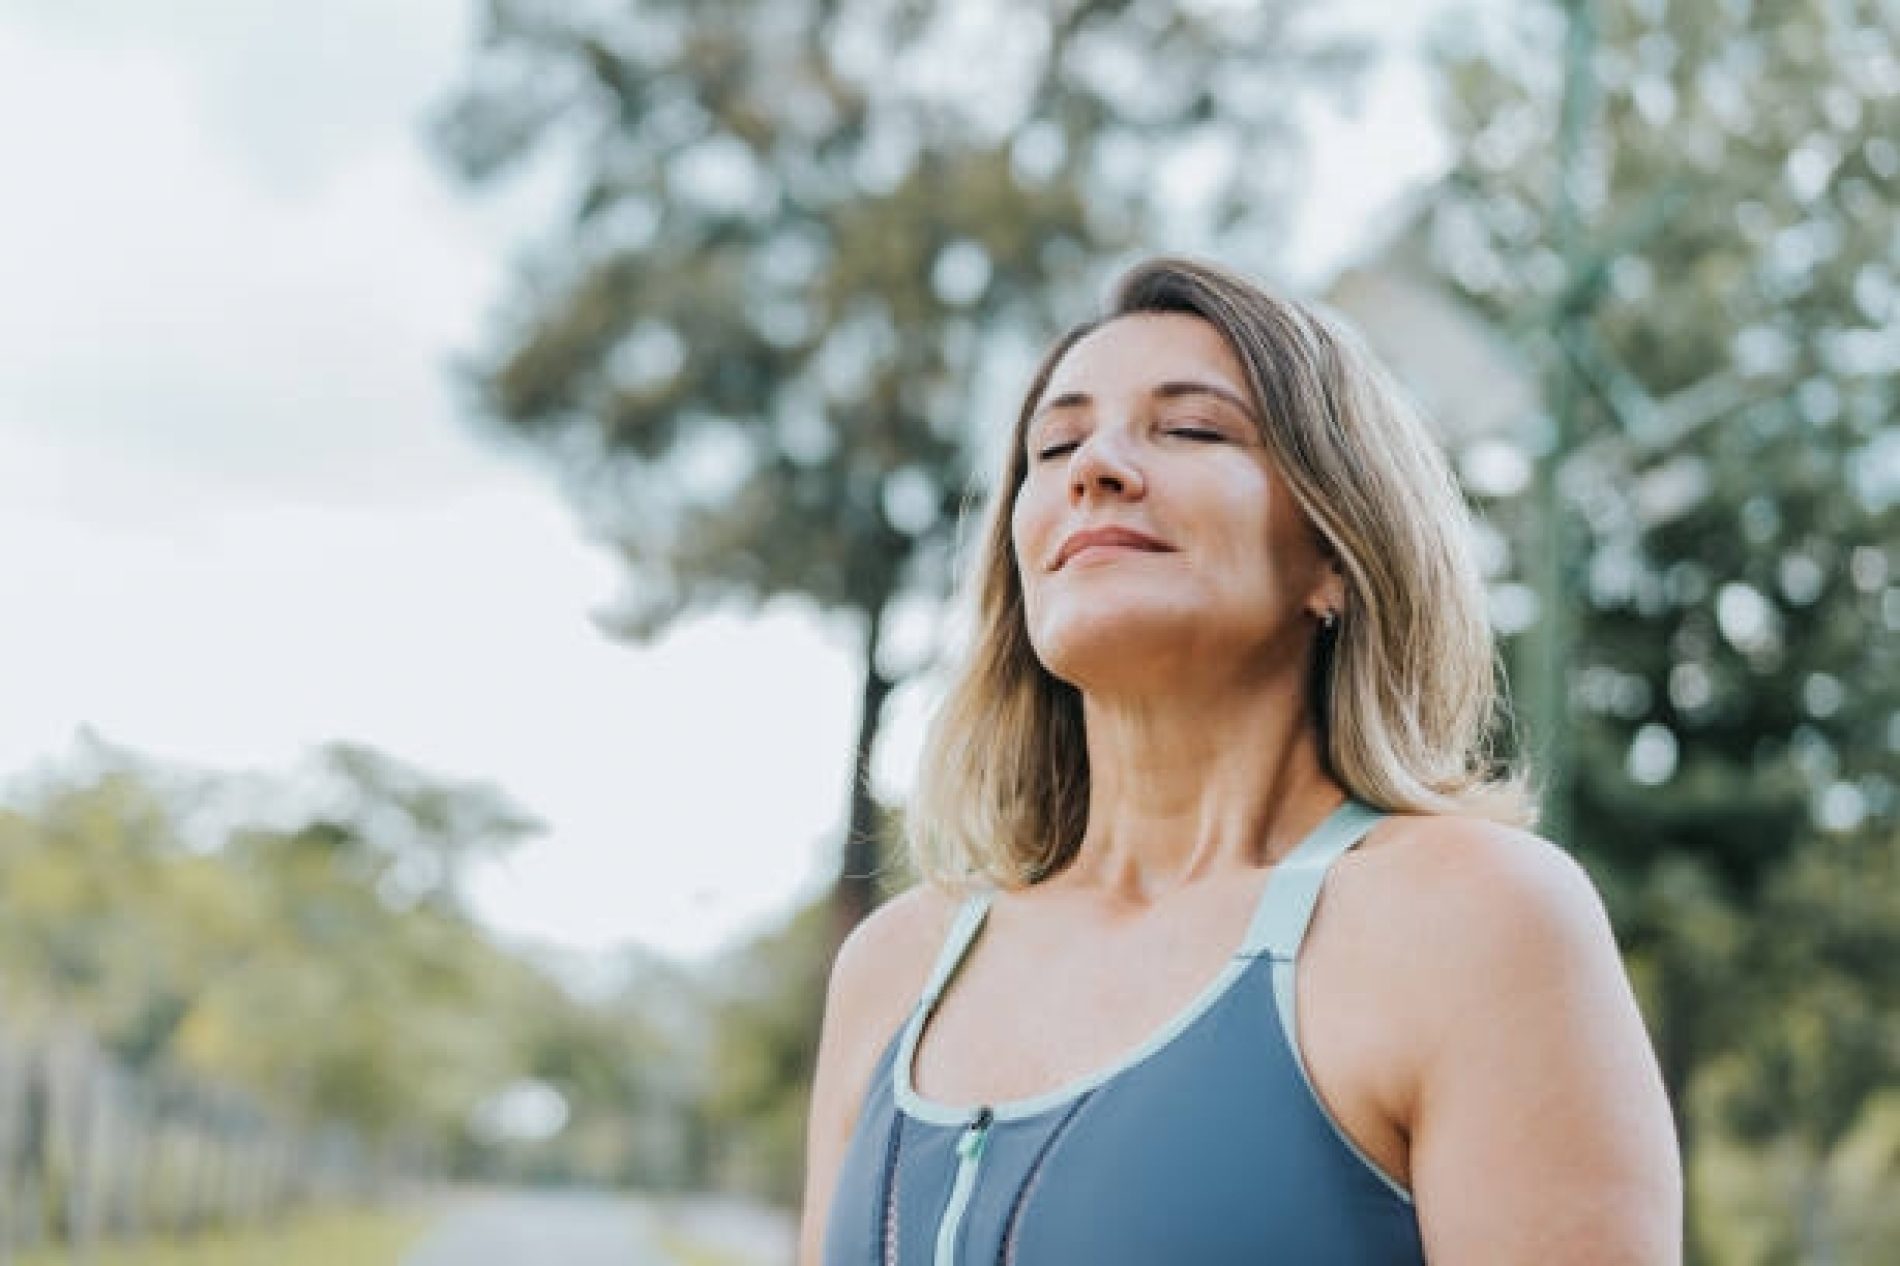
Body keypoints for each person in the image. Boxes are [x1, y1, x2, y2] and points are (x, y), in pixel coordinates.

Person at [799, 256, 1681, 1264]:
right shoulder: (895, 966)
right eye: (1056, 443)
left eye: (1190, 430)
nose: (1096, 467)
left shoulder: (1477, 922)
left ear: (1336, 556)